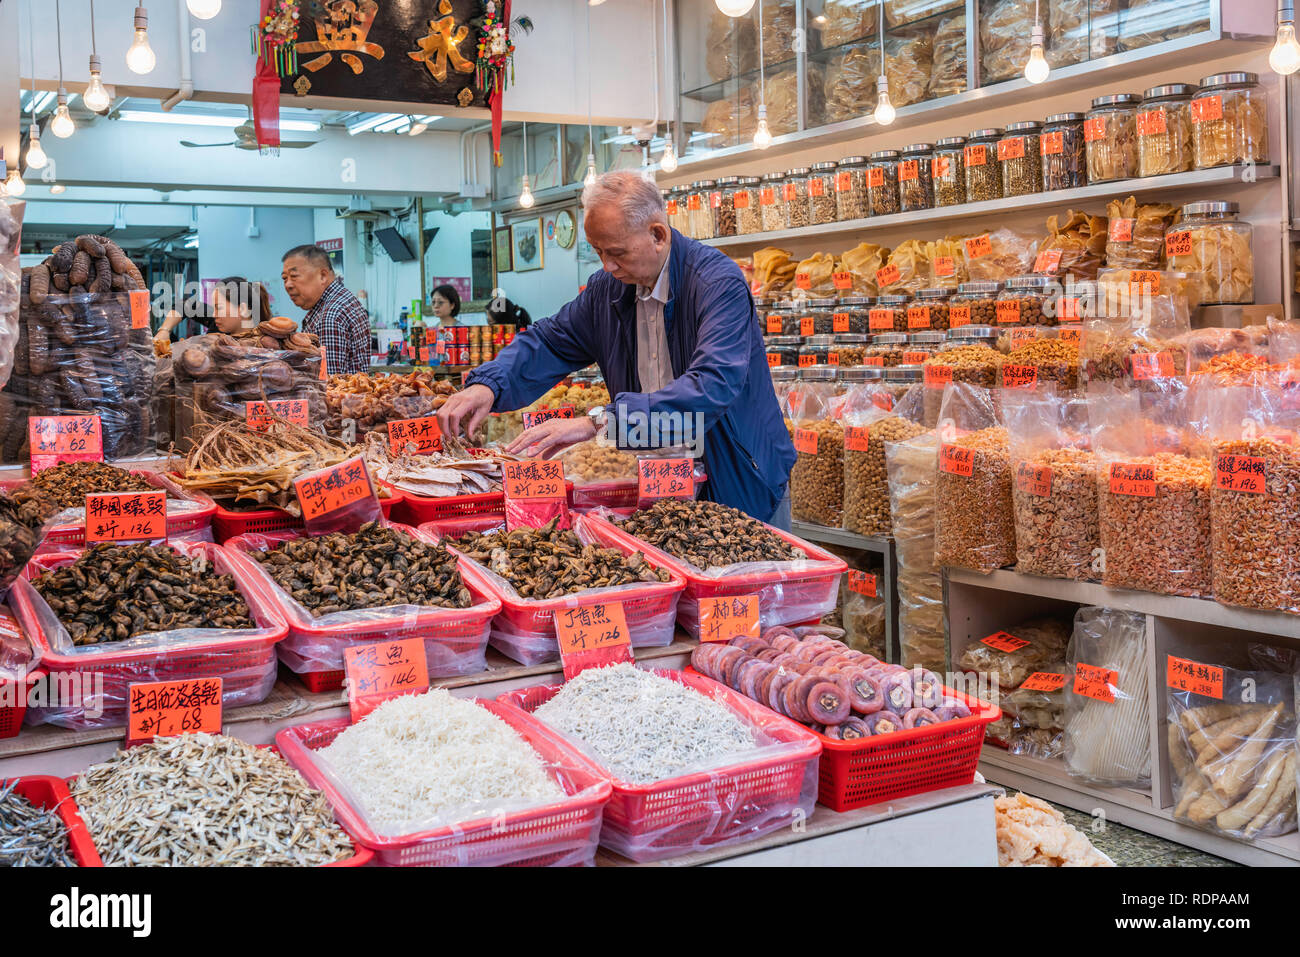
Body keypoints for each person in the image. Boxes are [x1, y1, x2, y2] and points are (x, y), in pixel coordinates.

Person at [437, 170, 795, 527]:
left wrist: (600, 421)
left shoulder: (717, 284)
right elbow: (550, 340)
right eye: (598, 251)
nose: (607, 265)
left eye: (617, 252)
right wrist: (489, 384)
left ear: (657, 235)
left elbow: (712, 386)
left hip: (739, 478)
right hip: (660, 484)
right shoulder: (607, 289)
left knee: (745, 581)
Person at [281, 244, 370, 375]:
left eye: (294, 276)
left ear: (322, 275)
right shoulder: (343, 299)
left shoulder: (330, 316)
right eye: (284, 278)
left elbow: (329, 383)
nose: (288, 285)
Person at [153, 276, 273, 345]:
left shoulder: (266, 344)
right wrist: (164, 330)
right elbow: (184, 306)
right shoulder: (218, 327)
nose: (214, 314)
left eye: (219, 308)